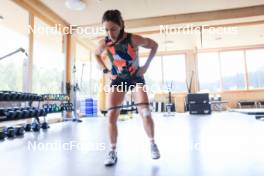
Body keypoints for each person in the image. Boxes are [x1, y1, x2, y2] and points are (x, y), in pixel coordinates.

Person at [95, 9, 160, 166]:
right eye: (107, 29)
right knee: (111, 117)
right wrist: (106, 71)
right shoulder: (104, 43)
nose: (110, 33)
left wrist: (146, 66)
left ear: (121, 26)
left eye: (113, 29)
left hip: (136, 77)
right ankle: (112, 152)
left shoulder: (134, 39)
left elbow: (154, 45)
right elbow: (96, 55)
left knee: (144, 112)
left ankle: (152, 144)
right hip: (118, 80)